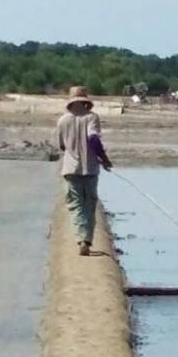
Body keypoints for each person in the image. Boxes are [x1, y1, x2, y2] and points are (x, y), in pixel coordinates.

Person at [56, 86, 113, 256]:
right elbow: (93, 138)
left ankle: (81, 239)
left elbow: (61, 145)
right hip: (90, 169)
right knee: (89, 204)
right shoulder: (91, 118)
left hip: (70, 169)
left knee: (75, 205)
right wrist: (104, 159)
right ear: (85, 102)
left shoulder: (62, 121)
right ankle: (87, 239)